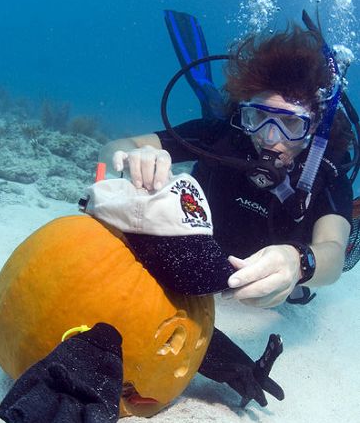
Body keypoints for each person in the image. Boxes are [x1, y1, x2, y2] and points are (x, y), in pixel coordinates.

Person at [98, 24, 354, 308]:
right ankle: (208, 88)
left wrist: (298, 262)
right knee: (214, 109)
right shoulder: (222, 136)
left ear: (314, 127)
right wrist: (139, 156)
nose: (270, 137)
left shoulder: (327, 172)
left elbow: (333, 251)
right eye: (258, 117)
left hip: (273, 278)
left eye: (291, 123)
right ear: (245, 114)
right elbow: (113, 149)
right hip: (204, 250)